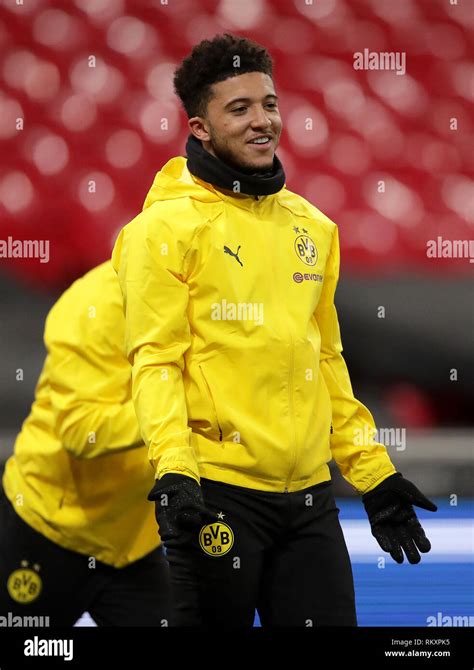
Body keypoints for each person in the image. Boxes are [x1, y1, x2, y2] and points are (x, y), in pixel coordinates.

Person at [111, 33, 437, 627]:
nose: (263, 121)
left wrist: (374, 474)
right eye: (239, 108)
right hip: (216, 497)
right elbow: (155, 362)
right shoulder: (161, 230)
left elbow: (327, 362)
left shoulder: (313, 227)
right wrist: (175, 469)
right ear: (200, 127)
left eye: (270, 104)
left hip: (310, 504)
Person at [0, 262, 171, 626]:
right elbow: (82, 431)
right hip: (47, 528)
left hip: (134, 542)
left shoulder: (209, 305)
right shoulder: (93, 304)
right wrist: (177, 410)